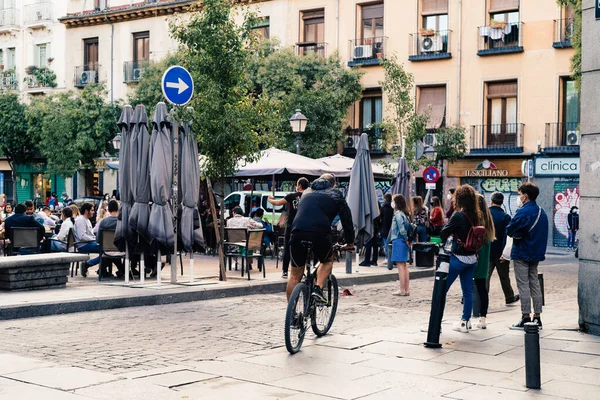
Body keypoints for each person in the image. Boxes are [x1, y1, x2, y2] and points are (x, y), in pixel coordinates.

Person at [289, 174, 354, 303]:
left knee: (294, 276)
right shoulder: (336, 194)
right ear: (333, 184)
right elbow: (347, 220)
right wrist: (350, 242)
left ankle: (292, 315)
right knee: (327, 261)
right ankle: (317, 289)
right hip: (320, 232)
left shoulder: (306, 192)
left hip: (297, 231)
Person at [440, 184, 482, 333]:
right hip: (472, 258)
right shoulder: (477, 215)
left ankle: (436, 323)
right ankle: (465, 321)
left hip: (457, 258)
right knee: (468, 292)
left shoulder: (458, 216)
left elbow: (444, 232)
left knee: (442, 290)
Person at [507, 182, 548, 330]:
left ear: (525, 196)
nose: (519, 198)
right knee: (534, 284)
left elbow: (510, 229)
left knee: (523, 285)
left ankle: (525, 317)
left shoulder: (523, 212)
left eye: (519, 195)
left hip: (522, 252)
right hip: (536, 254)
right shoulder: (541, 212)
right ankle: (537, 317)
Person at [267, 177, 309, 278]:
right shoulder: (309, 197)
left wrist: (269, 199)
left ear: (299, 186)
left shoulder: (292, 196)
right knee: (304, 249)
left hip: (292, 226)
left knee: (287, 248)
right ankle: (303, 271)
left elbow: (277, 203)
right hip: (305, 226)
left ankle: (285, 271)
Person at [488, 192, 520, 305]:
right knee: (504, 276)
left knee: (485, 276)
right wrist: (505, 253)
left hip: (487, 251)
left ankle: (481, 298)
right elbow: (508, 236)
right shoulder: (506, 217)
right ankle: (509, 297)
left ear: (491, 201)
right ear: (502, 203)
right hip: (501, 252)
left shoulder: (485, 215)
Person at [473, 194, 496, 329]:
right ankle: (483, 318)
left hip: (474, 254)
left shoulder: (475, 218)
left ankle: (467, 317)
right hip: (484, 256)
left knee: (469, 287)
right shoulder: (488, 219)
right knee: (482, 288)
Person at [389, 194, 412, 295]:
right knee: (404, 266)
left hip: (399, 240)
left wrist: (405, 238)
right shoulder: (404, 214)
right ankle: (406, 289)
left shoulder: (398, 214)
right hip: (403, 241)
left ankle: (402, 289)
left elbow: (401, 229)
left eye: (393, 200)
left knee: (400, 266)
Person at [96, 200, 125, 278]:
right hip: (121, 250)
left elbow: (98, 239)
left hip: (106, 250)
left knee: (109, 254)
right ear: (118, 209)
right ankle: (123, 270)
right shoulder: (122, 222)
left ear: (108, 210)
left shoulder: (103, 222)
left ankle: (103, 270)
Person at [73, 202, 102, 277]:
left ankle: (102, 269)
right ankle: (88, 264)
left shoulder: (87, 220)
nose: (93, 212)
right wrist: (95, 239)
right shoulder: (80, 220)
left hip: (88, 243)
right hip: (83, 245)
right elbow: (82, 236)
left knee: (107, 250)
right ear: (86, 211)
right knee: (105, 249)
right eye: (92, 210)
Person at [379, 193, 394, 260]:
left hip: (384, 228)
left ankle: (388, 258)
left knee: (386, 244)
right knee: (392, 244)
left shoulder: (383, 208)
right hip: (392, 228)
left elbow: (380, 218)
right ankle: (392, 258)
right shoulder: (393, 208)